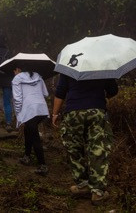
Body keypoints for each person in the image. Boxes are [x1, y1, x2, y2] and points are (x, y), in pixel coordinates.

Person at [51, 74, 118, 204]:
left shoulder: (69, 64)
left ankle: (82, 185)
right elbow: (113, 90)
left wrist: (55, 113)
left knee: (74, 148)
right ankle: (98, 192)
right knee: (97, 149)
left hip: (73, 111)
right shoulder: (102, 65)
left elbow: (60, 92)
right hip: (97, 110)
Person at [12, 65, 49, 176]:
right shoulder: (39, 77)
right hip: (42, 109)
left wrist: (18, 114)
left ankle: (43, 165)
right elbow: (46, 94)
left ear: (18, 69)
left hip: (29, 110)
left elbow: (17, 99)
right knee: (28, 130)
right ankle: (27, 156)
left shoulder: (17, 79)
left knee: (34, 136)